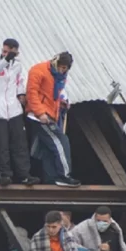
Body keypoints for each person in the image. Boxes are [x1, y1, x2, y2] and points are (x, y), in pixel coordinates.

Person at [0, 39, 39, 186]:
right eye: (4, 51)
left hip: (14, 110)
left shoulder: (18, 65)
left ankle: (24, 175)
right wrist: (5, 60)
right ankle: (3, 174)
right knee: (1, 145)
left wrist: (21, 94)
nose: (5, 54)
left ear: (16, 52)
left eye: (9, 52)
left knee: (20, 144)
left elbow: (19, 81)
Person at [26, 52, 80, 187]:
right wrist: (40, 113)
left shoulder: (60, 77)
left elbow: (55, 95)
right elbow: (31, 93)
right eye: (61, 67)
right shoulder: (38, 70)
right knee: (61, 141)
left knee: (47, 148)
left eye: (65, 68)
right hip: (39, 116)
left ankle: (51, 177)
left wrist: (62, 102)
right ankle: (64, 175)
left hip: (51, 114)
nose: (62, 70)